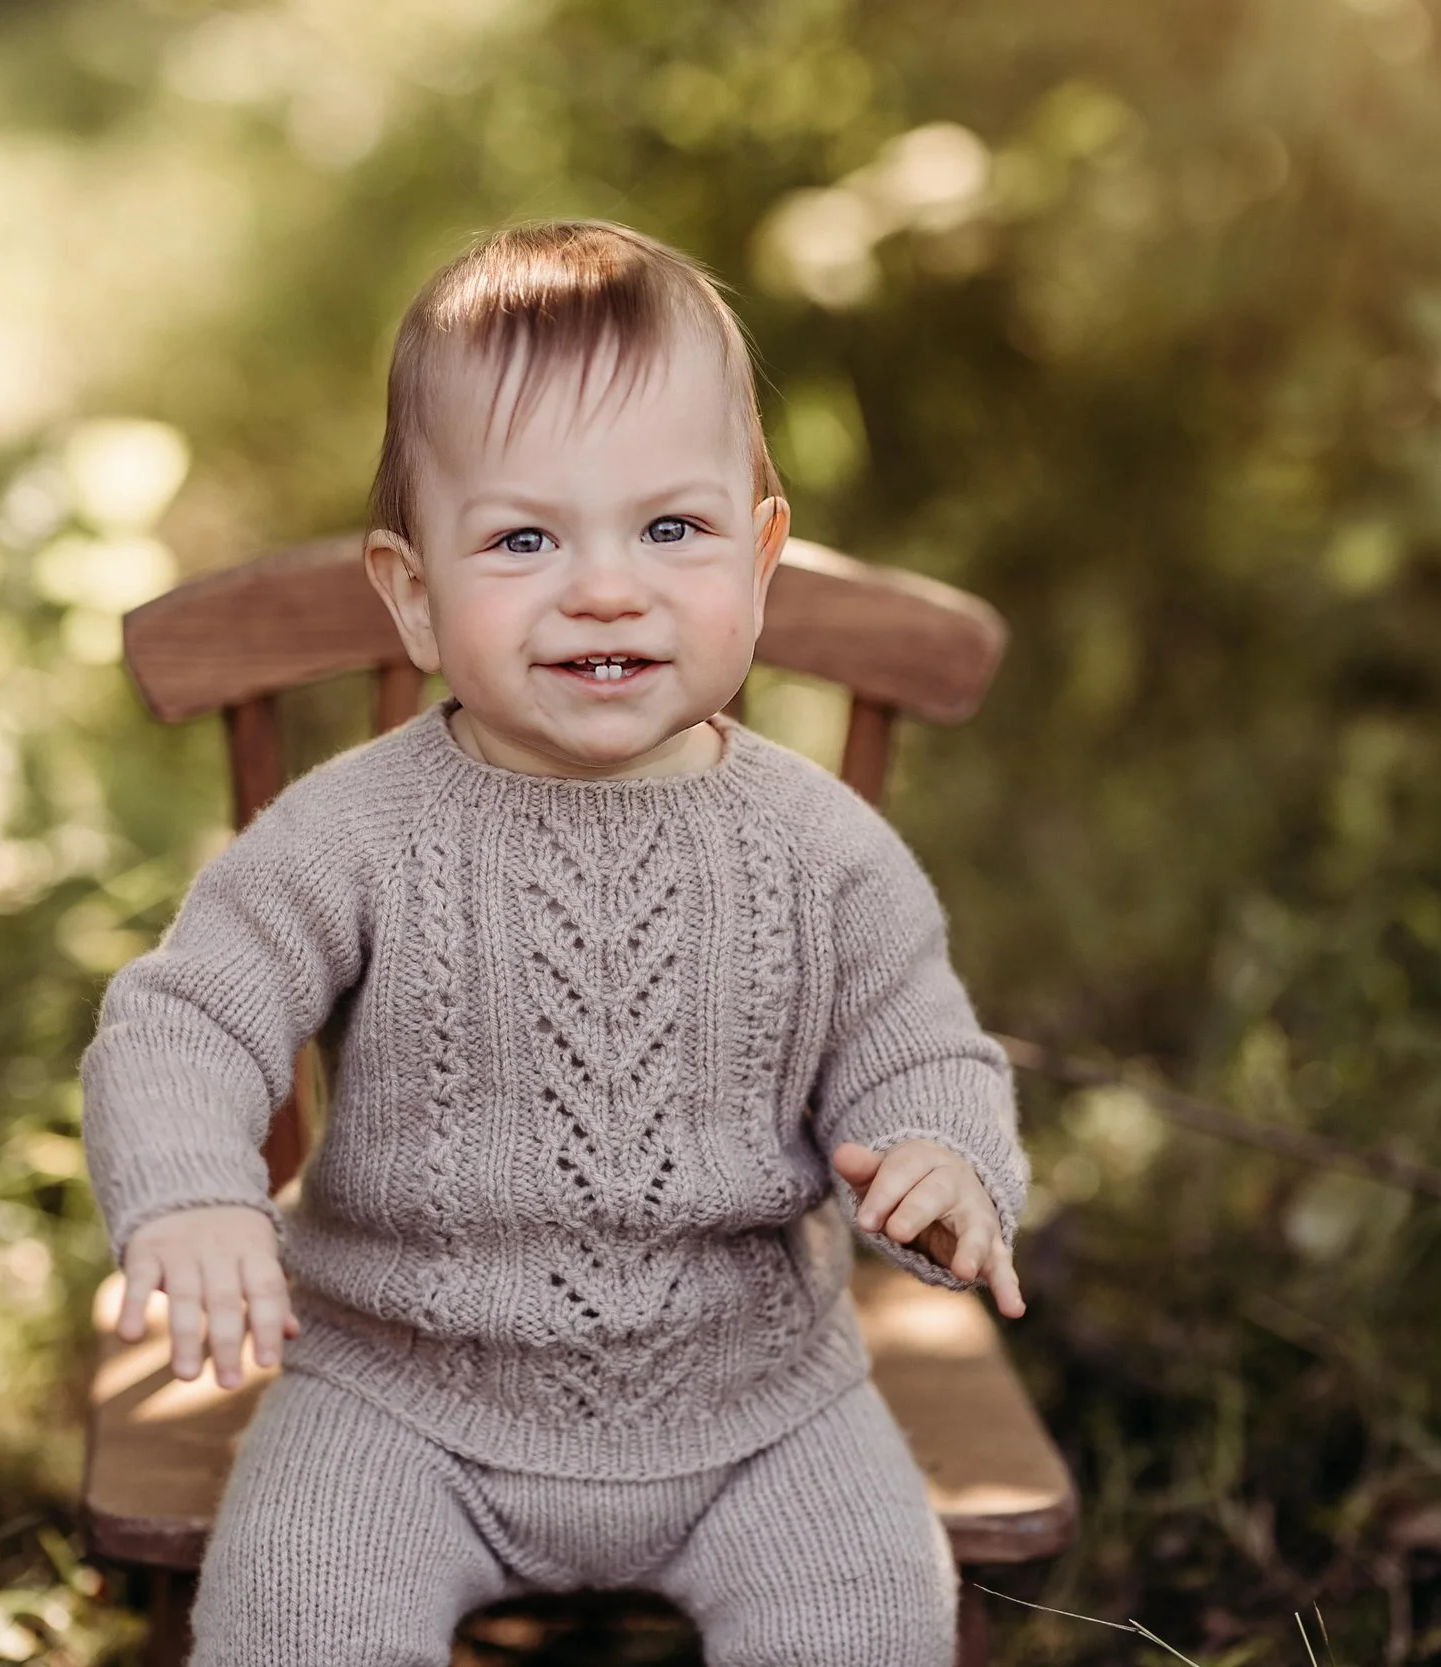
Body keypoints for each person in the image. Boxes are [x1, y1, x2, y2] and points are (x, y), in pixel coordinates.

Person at [79, 219, 1029, 1667]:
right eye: (525, 539)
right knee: (296, 1618)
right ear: (412, 591)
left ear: (760, 552)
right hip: (396, 1397)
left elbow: (922, 1043)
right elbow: (185, 1016)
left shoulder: (825, 848)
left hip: (764, 1411)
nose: (604, 587)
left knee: (865, 1617)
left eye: (671, 528)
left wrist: (945, 1161)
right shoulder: (358, 833)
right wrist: (194, 1193)